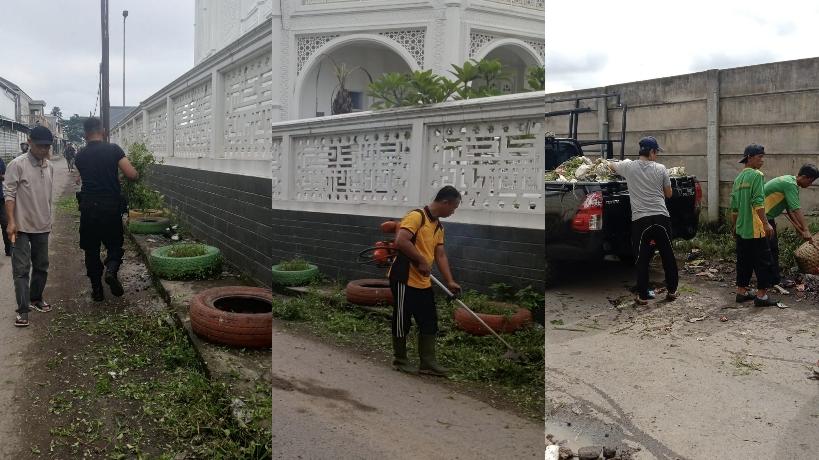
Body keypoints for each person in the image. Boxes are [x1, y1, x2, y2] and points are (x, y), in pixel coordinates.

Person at [388, 185, 462, 376]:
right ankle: (400, 359)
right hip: (404, 278)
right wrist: (421, 260)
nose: (453, 212)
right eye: (453, 207)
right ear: (445, 202)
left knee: (429, 320)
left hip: (423, 281)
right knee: (402, 319)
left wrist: (450, 281)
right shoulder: (416, 216)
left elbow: (441, 255)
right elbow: (401, 240)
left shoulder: (438, 226)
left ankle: (427, 362)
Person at [608, 136, 679, 305]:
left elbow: (610, 165)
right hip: (661, 218)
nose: (657, 156)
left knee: (642, 258)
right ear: (652, 152)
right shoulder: (661, 169)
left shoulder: (628, 167)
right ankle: (672, 291)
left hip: (641, 220)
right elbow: (669, 194)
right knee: (667, 255)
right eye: (656, 152)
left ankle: (643, 296)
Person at [74, 117, 138, 302]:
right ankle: (111, 270)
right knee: (114, 245)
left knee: (91, 250)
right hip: (110, 207)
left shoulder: (80, 155)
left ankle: (97, 291)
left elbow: (89, 175)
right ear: (103, 131)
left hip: (88, 207)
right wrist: (132, 176)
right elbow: (131, 174)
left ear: (85, 134)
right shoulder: (114, 150)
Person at [3, 126, 55, 327]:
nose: (44, 150)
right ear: (30, 142)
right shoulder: (17, 164)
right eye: (41, 146)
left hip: (42, 225)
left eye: (47, 146)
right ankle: (23, 309)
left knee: (42, 266)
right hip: (22, 227)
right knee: (21, 270)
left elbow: (48, 197)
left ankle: (36, 298)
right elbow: (9, 194)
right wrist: (11, 222)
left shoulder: (48, 166)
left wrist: (49, 220)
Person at [730, 144, 778, 307]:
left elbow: (734, 207)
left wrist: (734, 226)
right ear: (749, 157)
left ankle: (741, 292)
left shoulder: (738, 179)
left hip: (742, 229)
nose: (762, 161)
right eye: (760, 157)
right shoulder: (757, 175)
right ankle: (761, 296)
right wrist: (766, 223)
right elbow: (758, 201)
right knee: (764, 261)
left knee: (744, 261)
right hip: (756, 229)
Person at [764, 164, 819, 289]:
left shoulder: (789, 181)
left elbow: (789, 209)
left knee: (772, 248)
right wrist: (805, 230)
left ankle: (774, 279)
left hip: (767, 217)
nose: (810, 185)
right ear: (804, 177)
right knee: (768, 249)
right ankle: (768, 281)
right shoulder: (790, 184)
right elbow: (796, 208)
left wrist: (798, 227)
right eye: (810, 181)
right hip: (762, 218)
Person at [0, 155, 11, 256]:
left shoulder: (0, 161)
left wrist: (1, 177)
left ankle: (9, 250)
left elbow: (5, 176)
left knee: (5, 224)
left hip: (1, 199)